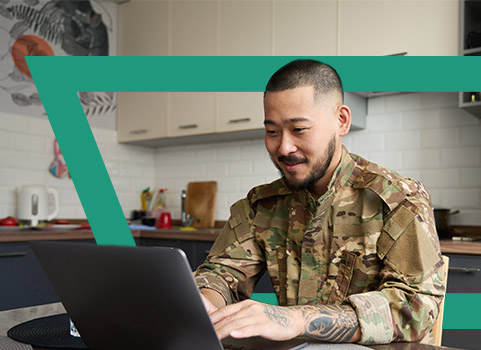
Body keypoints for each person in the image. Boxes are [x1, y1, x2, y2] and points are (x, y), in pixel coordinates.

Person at [194, 59, 444, 345]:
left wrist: (297, 319)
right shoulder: (261, 205)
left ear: (341, 121)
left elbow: (416, 308)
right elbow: (220, 273)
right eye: (272, 132)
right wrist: (205, 300)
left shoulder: (398, 199)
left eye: (298, 129)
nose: (284, 147)